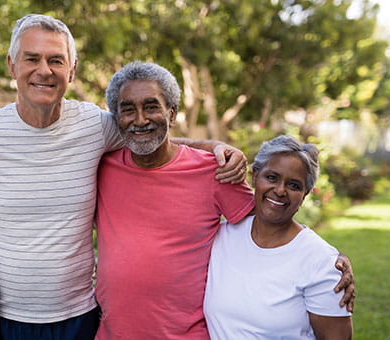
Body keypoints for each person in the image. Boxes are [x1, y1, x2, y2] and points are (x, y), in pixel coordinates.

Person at [0, 14, 248, 340]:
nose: (44, 70)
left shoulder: (94, 125)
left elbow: (149, 134)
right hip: (3, 318)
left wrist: (214, 147)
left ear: (72, 68)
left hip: (80, 315)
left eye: (55, 60)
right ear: (12, 65)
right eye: (32, 59)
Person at [94, 62, 354, 339]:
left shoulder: (211, 171)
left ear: (171, 113)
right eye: (128, 109)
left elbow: (273, 213)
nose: (141, 119)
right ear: (116, 117)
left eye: (151, 106)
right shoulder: (101, 167)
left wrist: (325, 259)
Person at [203, 135, 353, 339]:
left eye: (294, 185)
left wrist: (329, 259)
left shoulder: (322, 262)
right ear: (255, 176)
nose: (280, 191)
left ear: (305, 194)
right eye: (272, 178)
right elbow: (159, 145)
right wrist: (215, 145)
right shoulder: (222, 236)